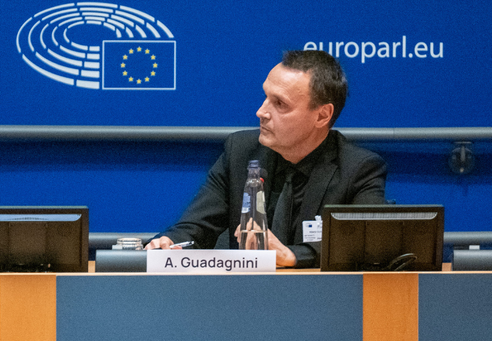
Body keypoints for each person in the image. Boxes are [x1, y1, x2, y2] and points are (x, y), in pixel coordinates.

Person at [147, 50, 387, 268]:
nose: (261, 112)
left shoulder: (358, 169)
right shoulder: (240, 152)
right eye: (266, 97)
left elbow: (368, 242)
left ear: (322, 115)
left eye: (280, 104)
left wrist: (292, 255)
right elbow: (196, 226)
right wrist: (170, 242)